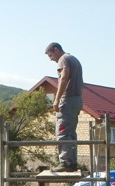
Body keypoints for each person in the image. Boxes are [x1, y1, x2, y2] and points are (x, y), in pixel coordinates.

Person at [44, 42, 84, 172]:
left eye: (50, 55)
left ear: (56, 50)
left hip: (67, 99)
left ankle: (66, 162)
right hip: (77, 99)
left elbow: (64, 77)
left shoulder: (63, 59)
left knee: (62, 131)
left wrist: (56, 100)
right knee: (71, 133)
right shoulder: (74, 59)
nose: (51, 59)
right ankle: (71, 163)